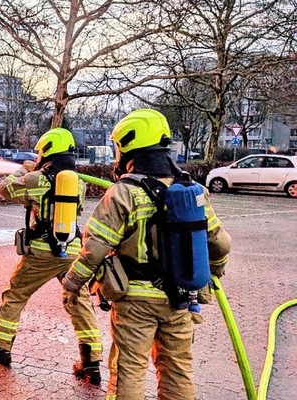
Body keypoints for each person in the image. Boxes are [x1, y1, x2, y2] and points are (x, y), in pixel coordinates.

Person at [61, 109, 232, 399]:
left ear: (129, 146)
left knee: (129, 369)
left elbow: (93, 250)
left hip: (135, 301)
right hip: (180, 297)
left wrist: (71, 284)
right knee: (177, 369)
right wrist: (212, 273)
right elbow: (221, 244)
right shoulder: (194, 191)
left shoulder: (123, 193)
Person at [0, 128, 103, 385]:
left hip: (41, 253)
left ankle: (1, 349)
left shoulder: (36, 180)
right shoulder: (79, 183)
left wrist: (25, 169)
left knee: (16, 295)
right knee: (79, 300)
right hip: (72, 251)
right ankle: (91, 362)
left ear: (47, 150)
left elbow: (4, 190)